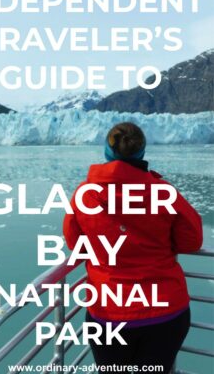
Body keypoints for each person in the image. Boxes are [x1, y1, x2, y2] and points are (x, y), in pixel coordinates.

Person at [63, 122, 203, 374]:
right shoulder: (162, 191)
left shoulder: (86, 195)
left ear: (107, 151)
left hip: (109, 314)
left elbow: (75, 243)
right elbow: (192, 240)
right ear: (141, 152)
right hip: (166, 312)